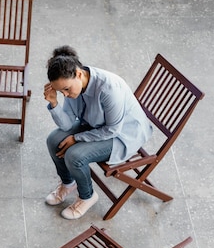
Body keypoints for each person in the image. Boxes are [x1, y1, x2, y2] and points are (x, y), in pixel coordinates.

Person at [43, 46, 153, 219]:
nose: (65, 94)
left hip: (122, 134)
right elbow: (67, 125)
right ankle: (68, 182)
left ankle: (87, 196)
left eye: (66, 89)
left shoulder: (109, 89)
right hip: (94, 125)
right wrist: (54, 104)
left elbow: (112, 129)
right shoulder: (74, 87)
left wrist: (77, 138)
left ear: (79, 74)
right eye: (60, 91)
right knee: (53, 140)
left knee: (75, 156)